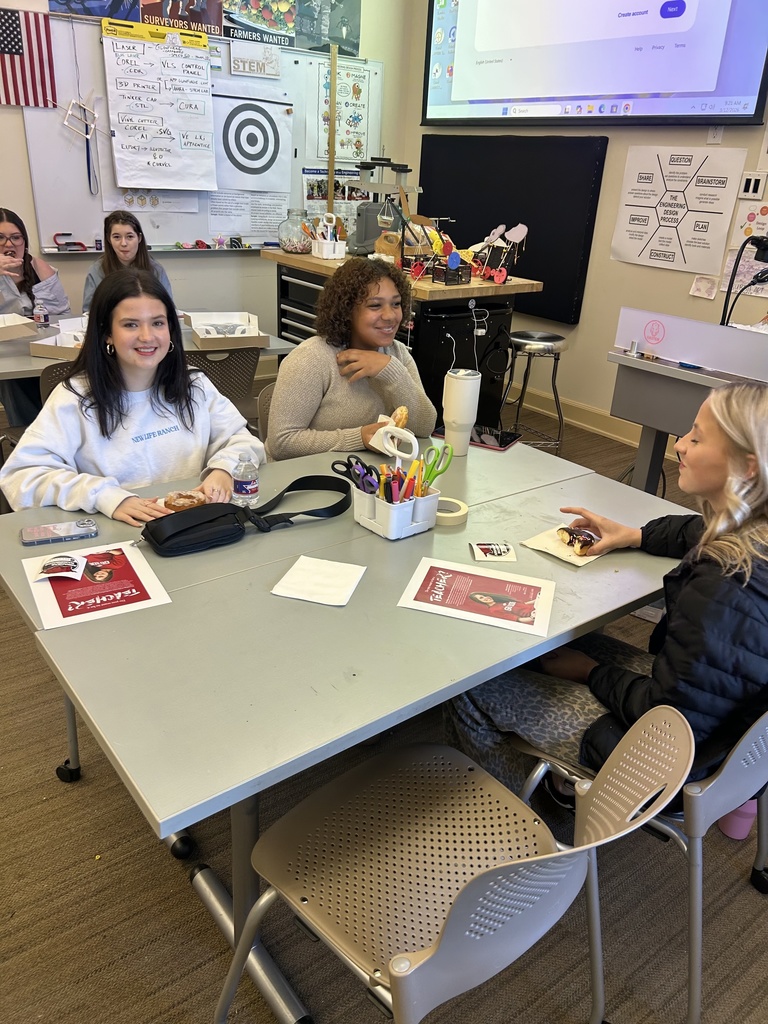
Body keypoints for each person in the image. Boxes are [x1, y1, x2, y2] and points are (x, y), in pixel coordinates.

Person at [447, 381, 768, 794]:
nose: (680, 446)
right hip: (732, 743)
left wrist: (591, 672)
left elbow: (664, 720)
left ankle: (516, 825)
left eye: (697, 438)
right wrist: (633, 535)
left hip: (662, 757)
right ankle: (561, 787)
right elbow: (695, 529)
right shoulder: (751, 534)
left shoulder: (721, 584)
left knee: (470, 687)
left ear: (748, 467)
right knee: (543, 649)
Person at [0, 268, 264, 526]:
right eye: (130, 325)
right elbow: (21, 477)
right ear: (107, 334)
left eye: (158, 323)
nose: (147, 337)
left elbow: (242, 440)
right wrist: (105, 496)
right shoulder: (75, 397)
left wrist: (224, 469)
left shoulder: (193, 385)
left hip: (190, 529)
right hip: (117, 533)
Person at [266, 258, 437, 460]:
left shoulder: (397, 355)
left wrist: (392, 372)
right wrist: (359, 438)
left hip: (370, 479)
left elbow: (425, 427)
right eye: (375, 305)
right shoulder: (311, 358)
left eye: (396, 304)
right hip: (306, 479)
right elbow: (281, 442)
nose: (390, 315)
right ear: (347, 310)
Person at [0, 208, 71, 426]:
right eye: (1, 238)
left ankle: (61, 431)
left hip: (44, 350)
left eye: (15, 237)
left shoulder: (40, 268)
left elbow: (62, 316)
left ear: (24, 241)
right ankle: (27, 435)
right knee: (13, 381)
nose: (9, 245)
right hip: (7, 356)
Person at [82, 211, 172, 313]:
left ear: (139, 238)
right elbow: (89, 312)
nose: (123, 243)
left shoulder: (156, 269)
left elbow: (168, 310)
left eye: (130, 236)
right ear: (108, 239)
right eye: (116, 237)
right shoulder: (97, 270)